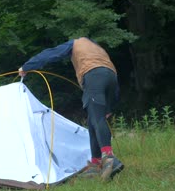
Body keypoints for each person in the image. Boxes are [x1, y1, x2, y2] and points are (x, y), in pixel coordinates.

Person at [18, 37, 124, 181]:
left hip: (93, 76)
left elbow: (51, 54)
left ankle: (109, 157)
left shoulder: (75, 43)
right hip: (111, 77)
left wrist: (27, 67)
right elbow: (111, 79)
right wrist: (110, 106)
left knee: (97, 118)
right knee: (93, 120)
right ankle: (96, 163)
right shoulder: (98, 49)